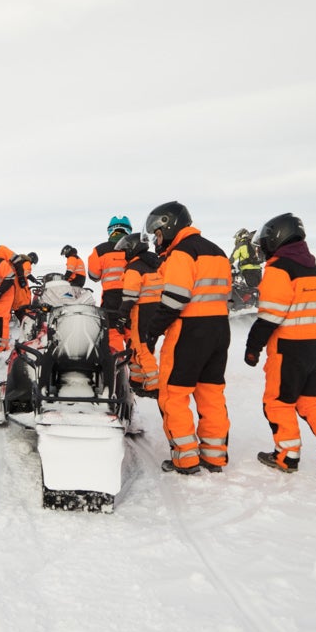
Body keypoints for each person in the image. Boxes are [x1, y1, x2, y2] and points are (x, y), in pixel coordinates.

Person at [243, 213, 316, 476]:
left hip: (288, 348)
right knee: (310, 402)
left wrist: (252, 346)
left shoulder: (280, 267)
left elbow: (271, 316)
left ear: (277, 238)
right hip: (315, 345)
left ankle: (286, 456)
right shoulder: (308, 265)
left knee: (278, 402)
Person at [140, 201, 231, 473]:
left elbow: (175, 299)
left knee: (173, 395)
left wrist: (152, 330)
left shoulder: (181, 253)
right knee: (211, 393)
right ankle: (214, 456)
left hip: (189, 331)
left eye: (157, 234)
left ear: (168, 226)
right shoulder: (217, 251)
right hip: (219, 329)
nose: (156, 240)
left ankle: (186, 458)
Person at [117, 229, 161, 397]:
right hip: (156, 310)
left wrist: (122, 315)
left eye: (124, 250)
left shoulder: (134, 268)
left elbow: (130, 296)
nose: (123, 254)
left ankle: (153, 387)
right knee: (135, 347)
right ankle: (136, 382)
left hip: (142, 311)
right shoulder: (153, 263)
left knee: (142, 349)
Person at [87, 218, 133, 352]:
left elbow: (93, 275)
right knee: (133, 335)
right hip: (134, 298)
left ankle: (117, 369)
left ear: (110, 230)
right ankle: (139, 369)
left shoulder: (99, 250)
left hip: (111, 299)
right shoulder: (136, 249)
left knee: (113, 336)